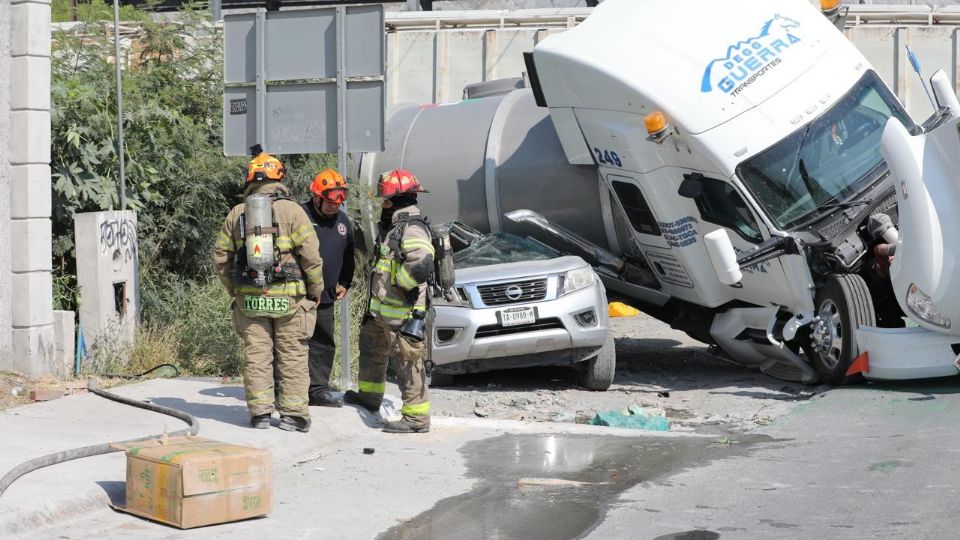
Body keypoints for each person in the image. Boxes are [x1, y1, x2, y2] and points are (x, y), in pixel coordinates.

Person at [213, 151, 324, 433]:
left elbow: (220, 257)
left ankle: (260, 414)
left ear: (250, 179)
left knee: (257, 356)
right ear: (280, 179)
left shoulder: (237, 213)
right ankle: (294, 415)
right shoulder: (293, 211)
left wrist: (234, 289)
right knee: (293, 355)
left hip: (250, 299)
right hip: (289, 298)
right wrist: (315, 290)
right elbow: (311, 256)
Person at [344, 169, 434, 434]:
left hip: (403, 314)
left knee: (408, 364)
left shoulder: (412, 228)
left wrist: (401, 288)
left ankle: (417, 419)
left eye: (385, 199)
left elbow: (421, 265)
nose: (382, 204)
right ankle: (370, 397)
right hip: (382, 313)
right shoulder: (396, 227)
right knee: (372, 350)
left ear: (395, 200)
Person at [302, 169, 355, 408]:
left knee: (323, 342)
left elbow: (349, 254)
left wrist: (344, 282)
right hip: (298, 295)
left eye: (339, 202)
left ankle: (318, 390)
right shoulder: (300, 216)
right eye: (330, 203)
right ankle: (284, 387)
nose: (335, 207)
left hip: (326, 295)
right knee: (292, 342)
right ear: (316, 198)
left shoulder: (343, 221)